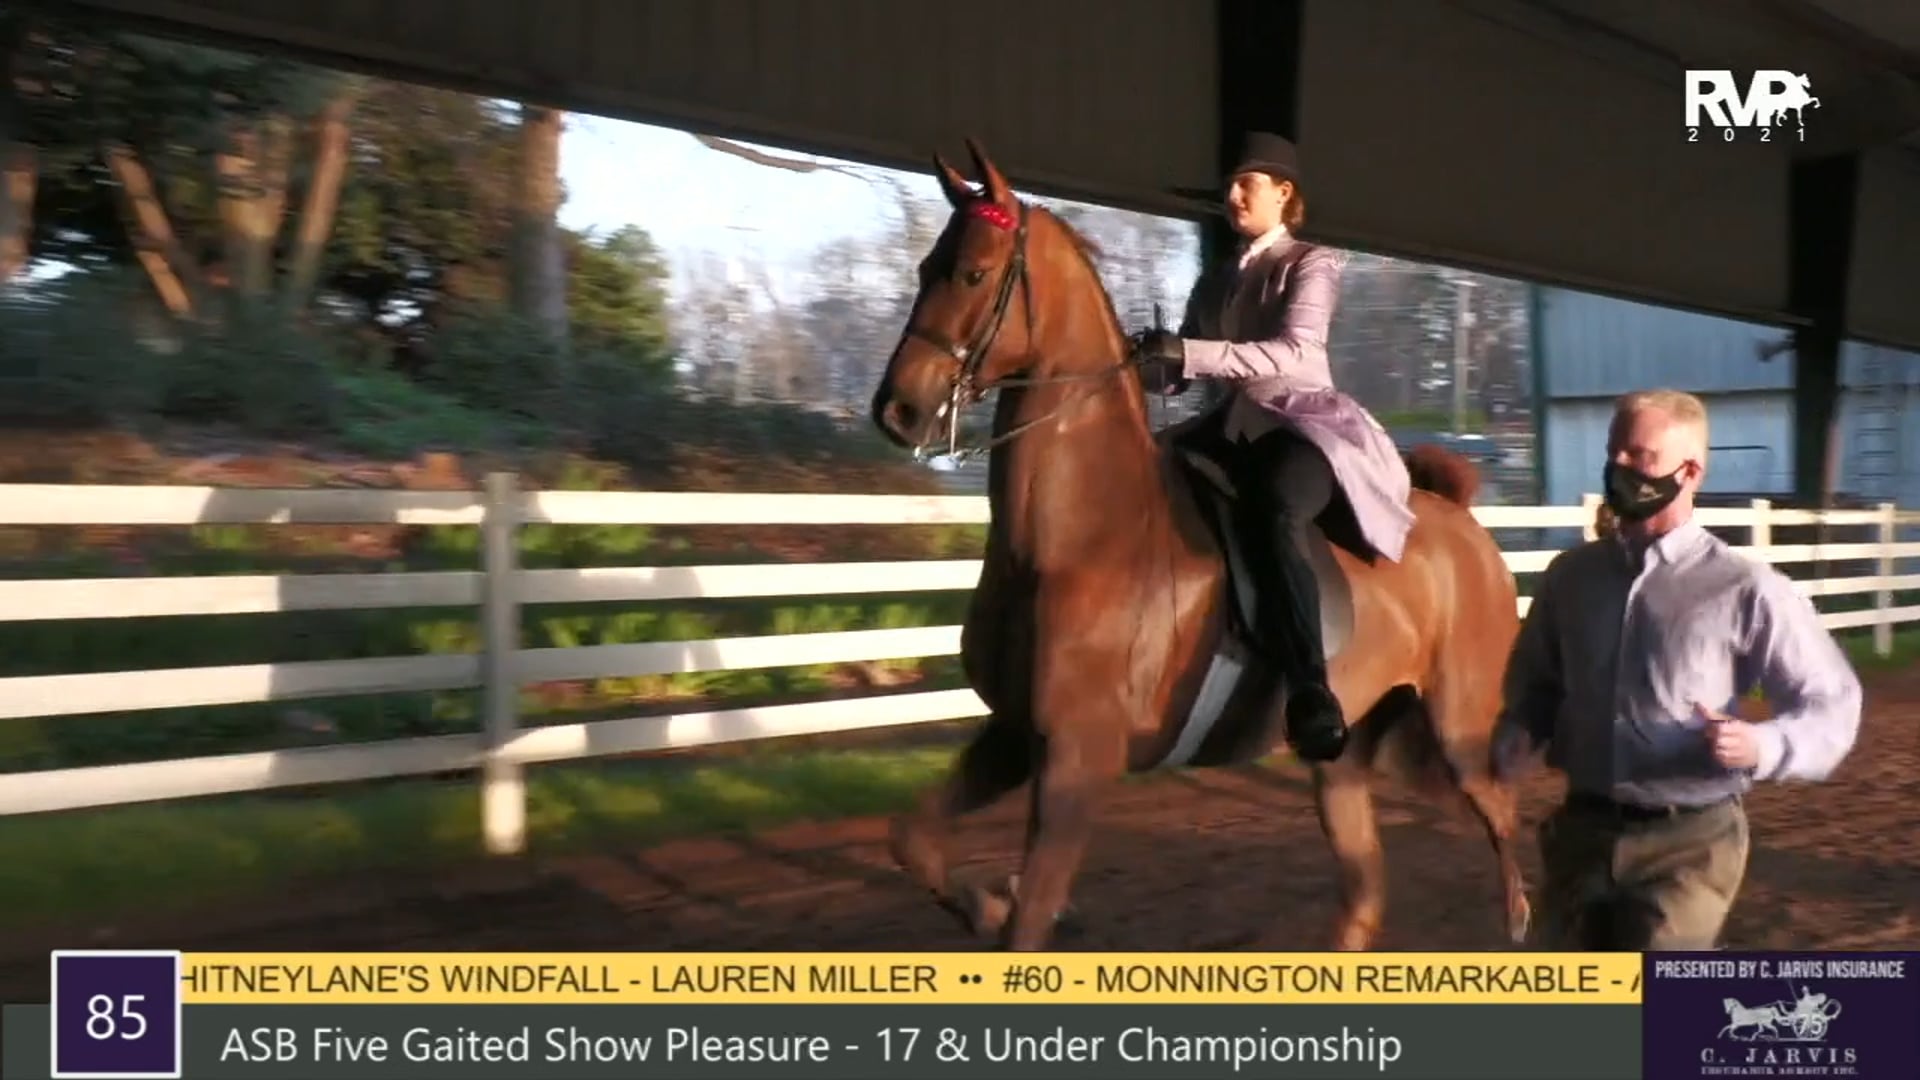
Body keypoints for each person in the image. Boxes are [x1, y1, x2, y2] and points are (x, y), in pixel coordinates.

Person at [1491, 389, 1862, 950]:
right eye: (1614, 451)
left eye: (1638, 456)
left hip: (1691, 841)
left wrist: (1763, 745)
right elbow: (1538, 684)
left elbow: (1831, 704)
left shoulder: (1744, 588)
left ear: (1690, 471)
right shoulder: (1570, 578)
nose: (1618, 466)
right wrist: (1520, 729)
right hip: (1581, 833)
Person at [1130, 130, 1415, 765]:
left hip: (1302, 424)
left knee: (1276, 508)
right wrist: (1149, 361)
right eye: (1229, 186)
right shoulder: (1215, 279)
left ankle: (1312, 691)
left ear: (1284, 194)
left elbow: (1292, 354)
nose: (1232, 195)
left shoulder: (1311, 263)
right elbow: (1181, 368)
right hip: (1229, 422)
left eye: (1246, 184)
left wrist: (1191, 354)